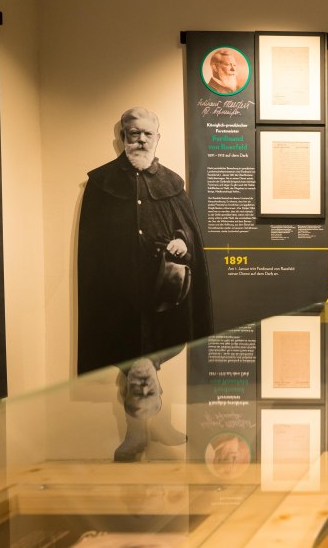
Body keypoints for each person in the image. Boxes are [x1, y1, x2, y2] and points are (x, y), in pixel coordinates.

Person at [78, 107, 213, 461]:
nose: (139, 140)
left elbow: (188, 232)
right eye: (132, 133)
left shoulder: (171, 182)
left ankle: (160, 426)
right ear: (121, 137)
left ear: (157, 137)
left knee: (156, 358)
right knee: (132, 364)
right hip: (119, 297)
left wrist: (182, 241)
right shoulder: (101, 183)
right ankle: (135, 433)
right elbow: (91, 247)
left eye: (146, 134)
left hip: (164, 294)